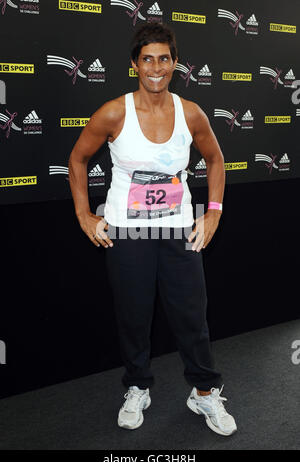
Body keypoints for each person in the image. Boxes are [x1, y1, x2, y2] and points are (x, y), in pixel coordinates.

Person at [68, 23, 237, 437]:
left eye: (164, 59)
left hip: (179, 229)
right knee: (133, 317)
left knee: (192, 318)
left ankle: (203, 392)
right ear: (135, 65)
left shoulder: (190, 112)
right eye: (148, 59)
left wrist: (212, 212)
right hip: (127, 233)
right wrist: (84, 215)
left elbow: (216, 160)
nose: (156, 68)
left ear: (175, 64)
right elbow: (77, 161)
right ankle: (137, 386)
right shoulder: (113, 112)